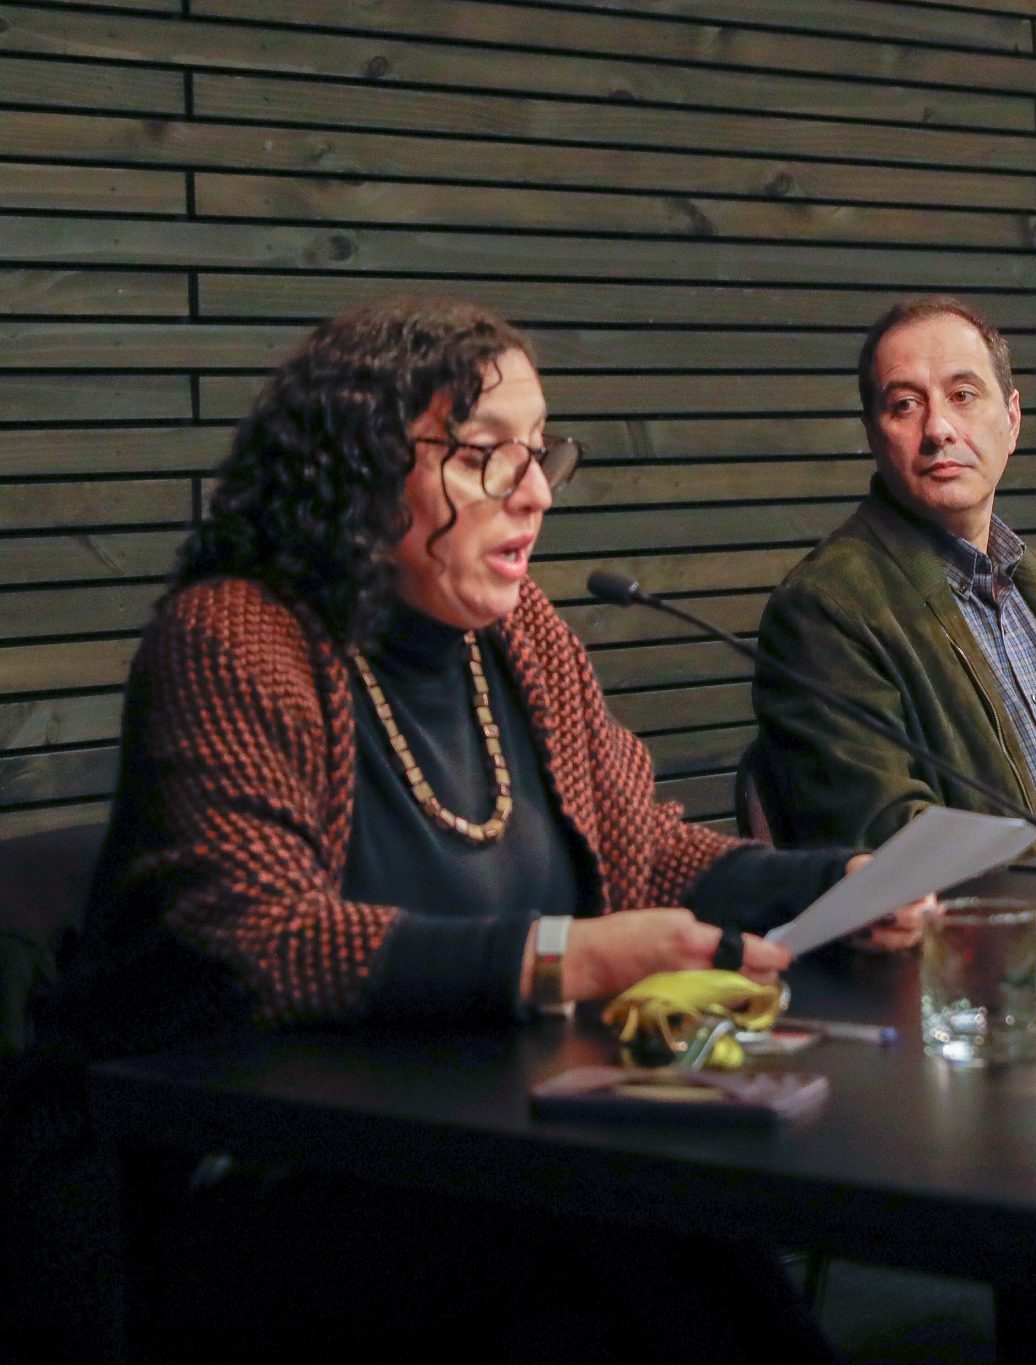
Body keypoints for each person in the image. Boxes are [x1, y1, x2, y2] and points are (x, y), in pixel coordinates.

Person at [48, 296, 898, 1361]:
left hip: (505, 1144)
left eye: (538, 453)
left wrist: (836, 883)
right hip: (265, 1172)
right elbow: (260, 939)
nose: (533, 491)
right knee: (631, 1221)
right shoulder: (236, 634)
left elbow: (645, 851)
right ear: (361, 467)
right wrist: (565, 957)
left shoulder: (522, 632)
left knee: (656, 1205)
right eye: (485, 455)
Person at [752, 295, 1036, 848]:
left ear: (1012, 420)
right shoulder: (822, 610)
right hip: (1009, 903)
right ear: (873, 435)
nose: (938, 428)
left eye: (963, 395)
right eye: (905, 404)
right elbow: (888, 833)